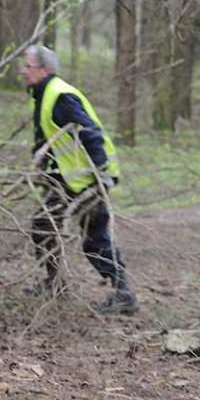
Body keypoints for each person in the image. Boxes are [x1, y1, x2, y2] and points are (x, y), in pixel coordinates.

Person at [20, 45, 137, 315]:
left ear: (45, 69)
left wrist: (101, 176)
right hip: (65, 181)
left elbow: (91, 134)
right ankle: (54, 283)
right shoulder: (42, 94)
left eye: (28, 66)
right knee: (43, 225)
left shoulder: (60, 96)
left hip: (88, 180)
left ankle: (124, 293)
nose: (23, 71)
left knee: (93, 238)